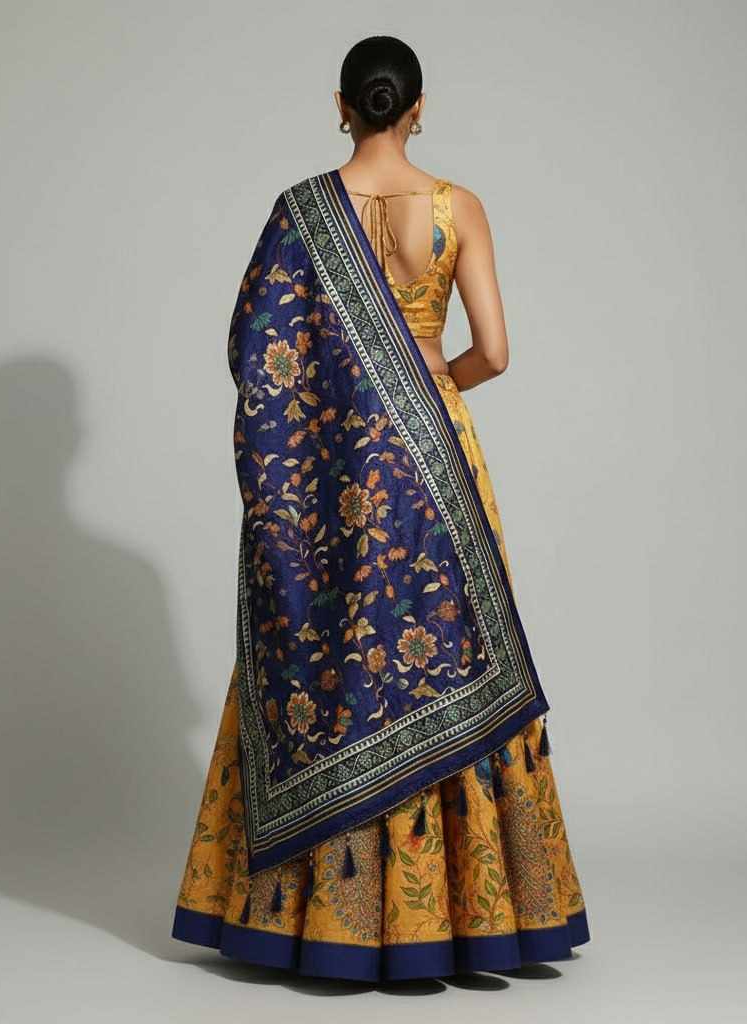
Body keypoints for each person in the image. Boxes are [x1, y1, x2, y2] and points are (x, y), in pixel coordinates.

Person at [172, 35, 589, 982]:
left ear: (341, 105)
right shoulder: (458, 207)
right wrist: (425, 384)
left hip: (334, 468)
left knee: (336, 642)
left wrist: (346, 409)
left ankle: (323, 923)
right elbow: (494, 352)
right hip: (438, 452)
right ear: (418, 107)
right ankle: (471, 921)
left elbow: (259, 360)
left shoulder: (299, 212)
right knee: (450, 648)